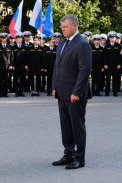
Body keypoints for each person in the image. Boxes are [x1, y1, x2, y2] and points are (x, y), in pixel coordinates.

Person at [51, 14, 92, 169]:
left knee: (77, 126)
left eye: (65, 26)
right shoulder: (62, 43)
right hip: (62, 92)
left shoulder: (82, 44)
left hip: (75, 94)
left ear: (75, 26)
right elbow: (57, 66)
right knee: (66, 125)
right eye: (62, 27)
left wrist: (76, 92)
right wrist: (54, 87)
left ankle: (79, 158)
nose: (62, 29)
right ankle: (69, 154)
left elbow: (84, 70)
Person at [103, 31, 122, 96]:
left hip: (116, 65)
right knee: (107, 79)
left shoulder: (118, 46)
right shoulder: (106, 46)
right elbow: (104, 56)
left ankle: (115, 92)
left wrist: (119, 64)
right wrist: (105, 64)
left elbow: (120, 56)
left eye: (113, 37)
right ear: (109, 39)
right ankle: (107, 92)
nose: (112, 39)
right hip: (108, 65)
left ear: (115, 38)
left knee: (115, 79)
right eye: (111, 38)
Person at [0, 33, 13, 97]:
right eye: (2, 38)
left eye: (5, 38)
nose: (4, 39)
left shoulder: (9, 47)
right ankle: (0, 93)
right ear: (1, 39)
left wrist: (11, 65)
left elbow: (12, 57)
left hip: (7, 66)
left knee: (6, 80)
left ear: (6, 39)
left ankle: (5, 93)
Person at [12, 32, 28, 97]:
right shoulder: (14, 47)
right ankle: (16, 92)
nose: (19, 39)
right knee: (15, 79)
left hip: (22, 65)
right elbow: (12, 57)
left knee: (22, 79)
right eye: (18, 38)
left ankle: (21, 92)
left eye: (20, 38)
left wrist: (26, 64)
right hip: (16, 66)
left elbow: (27, 57)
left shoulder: (24, 47)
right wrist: (12, 65)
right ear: (16, 39)